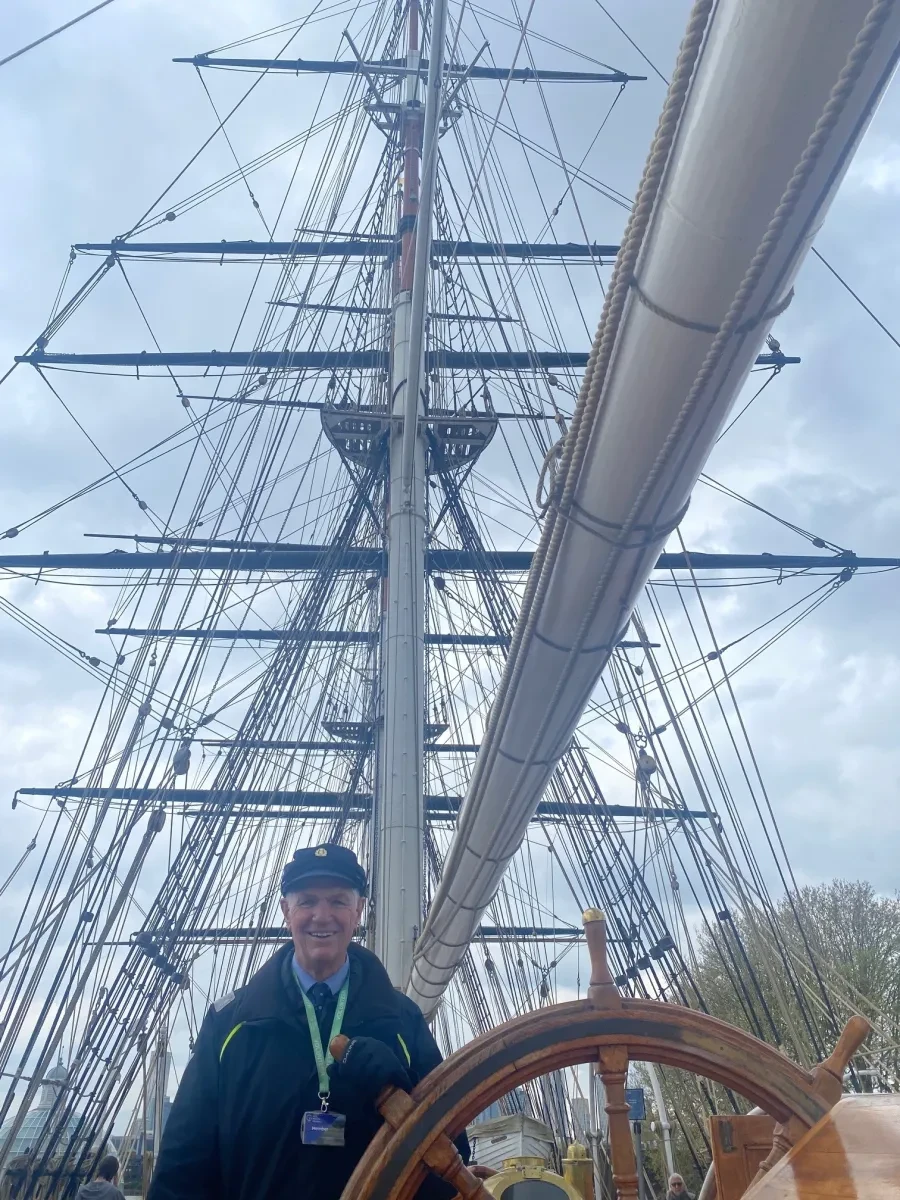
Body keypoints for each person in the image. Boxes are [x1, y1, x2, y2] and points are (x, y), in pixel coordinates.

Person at [148, 844, 478, 1200]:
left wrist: (404, 1093)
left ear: (358, 912)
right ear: (286, 911)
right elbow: (182, 1167)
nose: (322, 915)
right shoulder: (230, 1026)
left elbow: (450, 1158)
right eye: (307, 901)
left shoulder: (402, 1022)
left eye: (338, 901)